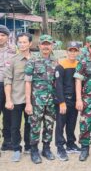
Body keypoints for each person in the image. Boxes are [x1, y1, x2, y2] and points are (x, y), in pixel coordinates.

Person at [25, 34, 57, 164]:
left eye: (48, 44)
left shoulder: (56, 61)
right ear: (39, 46)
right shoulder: (32, 61)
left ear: (52, 46)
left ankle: (46, 149)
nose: (46, 46)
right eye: (43, 44)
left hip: (51, 101)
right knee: (35, 126)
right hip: (36, 101)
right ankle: (34, 150)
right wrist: (28, 103)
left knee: (49, 125)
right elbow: (27, 82)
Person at [4, 33, 32, 162]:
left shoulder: (36, 59)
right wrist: (8, 99)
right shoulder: (13, 60)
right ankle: (16, 149)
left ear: (30, 44)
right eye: (20, 42)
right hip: (16, 98)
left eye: (25, 42)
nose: (22, 44)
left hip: (31, 99)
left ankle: (29, 146)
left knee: (30, 124)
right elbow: (8, 81)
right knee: (14, 126)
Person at [55, 41, 81, 161]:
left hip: (74, 100)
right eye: (70, 50)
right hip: (63, 99)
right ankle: (60, 147)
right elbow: (58, 84)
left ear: (78, 52)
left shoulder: (79, 65)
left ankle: (71, 144)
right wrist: (61, 102)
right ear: (67, 52)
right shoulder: (61, 65)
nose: (72, 53)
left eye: (75, 50)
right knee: (61, 124)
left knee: (71, 123)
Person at [0, 25, 16, 152]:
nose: (0, 37)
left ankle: (7, 141)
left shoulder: (14, 51)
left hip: (8, 85)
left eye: (3, 35)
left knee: (8, 114)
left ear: (7, 37)